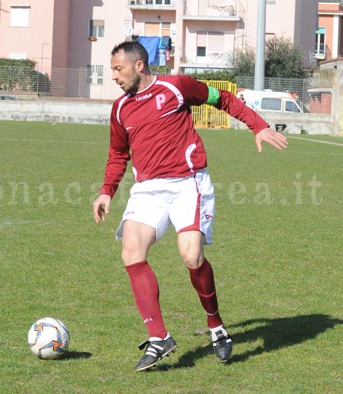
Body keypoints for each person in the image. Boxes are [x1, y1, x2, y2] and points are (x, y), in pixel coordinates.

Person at [92, 41, 288, 371]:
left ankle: (216, 326)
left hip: (188, 183)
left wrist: (258, 125)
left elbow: (222, 98)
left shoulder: (176, 87)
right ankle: (158, 337)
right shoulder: (120, 109)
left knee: (191, 256)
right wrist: (106, 191)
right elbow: (118, 154)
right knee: (131, 252)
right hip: (148, 189)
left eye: (118, 69)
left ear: (139, 66)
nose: (113, 76)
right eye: (112, 69)